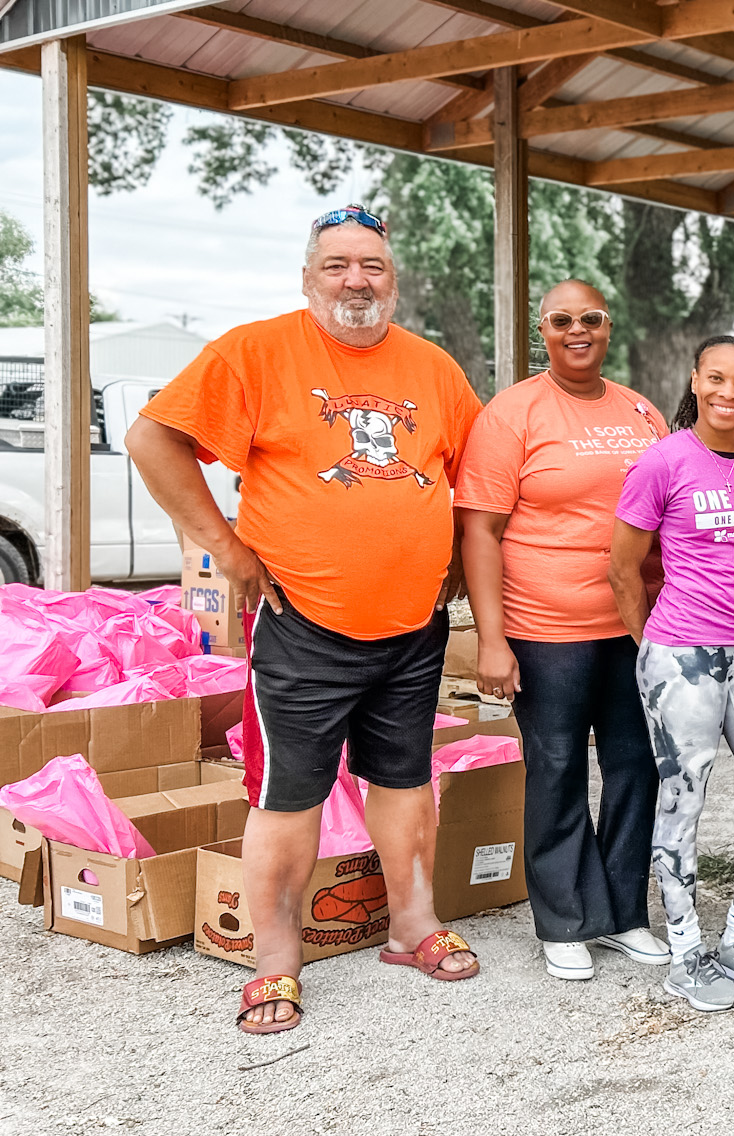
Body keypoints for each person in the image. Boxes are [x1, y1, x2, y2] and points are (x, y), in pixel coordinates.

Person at [125, 204, 483, 1034]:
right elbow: (151, 440)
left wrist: (459, 563)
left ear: (394, 281)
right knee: (290, 796)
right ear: (308, 277)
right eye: (338, 266)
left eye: (373, 267)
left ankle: (411, 925)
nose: (357, 281)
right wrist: (225, 547)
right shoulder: (255, 351)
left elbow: (475, 478)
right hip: (303, 627)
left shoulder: (432, 368)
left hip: (411, 630)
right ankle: (275, 961)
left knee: (403, 783)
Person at [455, 282, 672, 982]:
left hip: (635, 626)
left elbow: (670, 512)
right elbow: (479, 532)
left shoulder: (640, 409)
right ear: (541, 330)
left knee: (637, 767)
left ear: (609, 326)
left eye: (590, 319)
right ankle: (564, 918)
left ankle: (622, 912)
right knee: (555, 768)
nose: (577, 330)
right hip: (546, 628)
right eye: (561, 321)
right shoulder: (510, 413)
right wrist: (492, 638)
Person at [608, 337, 734, 1012]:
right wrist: (651, 648)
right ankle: (686, 951)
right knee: (683, 801)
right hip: (680, 654)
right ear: (695, 379)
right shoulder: (661, 462)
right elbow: (623, 567)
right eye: (716, 378)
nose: (728, 393)